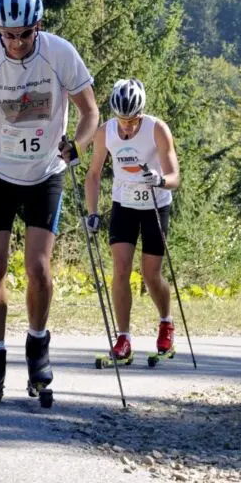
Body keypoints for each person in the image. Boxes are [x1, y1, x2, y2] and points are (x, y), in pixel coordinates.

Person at [0, 0, 99, 394]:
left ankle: (37, 346)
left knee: (38, 267)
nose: (15, 43)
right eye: (7, 34)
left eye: (24, 34)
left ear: (38, 27)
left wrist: (77, 146)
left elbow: (90, 112)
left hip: (46, 171)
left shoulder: (60, 53)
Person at [83, 78, 180, 362]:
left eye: (132, 119)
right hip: (123, 203)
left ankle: (166, 322)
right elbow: (93, 175)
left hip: (154, 204)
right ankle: (123, 338)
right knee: (121, 270)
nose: (126, 125)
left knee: (151, 274)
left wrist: (160, 180)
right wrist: (92, 212)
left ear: (142, 113)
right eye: (121, 119)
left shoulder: (157, 129)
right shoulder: (106, 132)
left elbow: (175, 176)